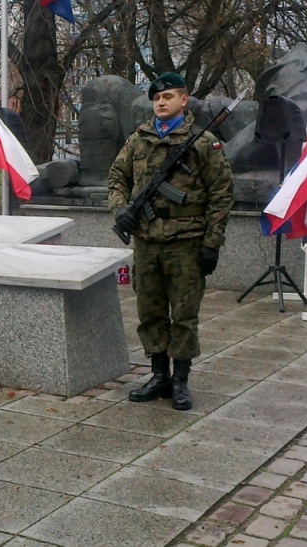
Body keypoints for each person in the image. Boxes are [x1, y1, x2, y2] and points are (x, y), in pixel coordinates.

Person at [107, 72, 234, 411]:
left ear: (184, 100)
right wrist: (120, 211)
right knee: (149, 312)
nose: (161, 103)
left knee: (184, 314)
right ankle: (159, 375)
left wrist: (212, 243)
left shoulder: (202, 142)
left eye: (169, 97)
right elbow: (117, 177)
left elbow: (221, 195)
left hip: (186, 243)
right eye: (157, 98)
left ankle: (180, 381)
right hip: (147, 242)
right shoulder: (140, 138)